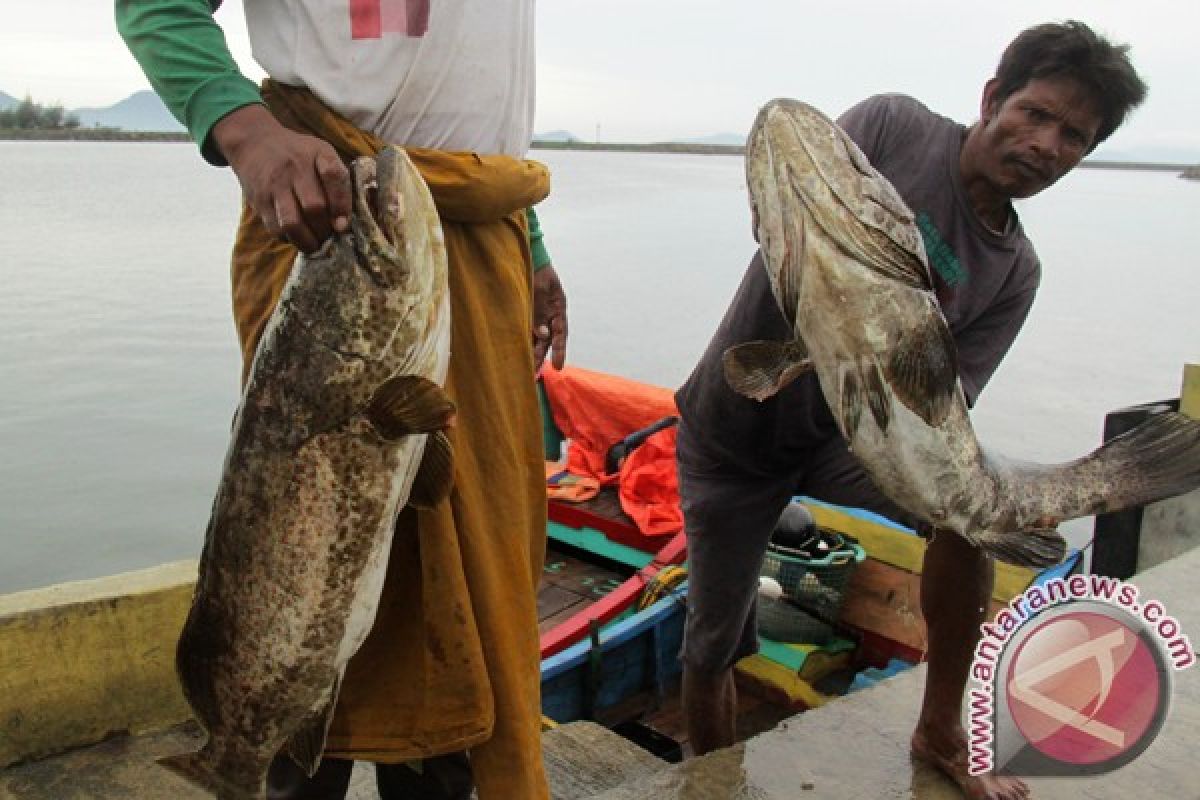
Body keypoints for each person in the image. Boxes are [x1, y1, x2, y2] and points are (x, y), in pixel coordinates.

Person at [674, 20, 1145, 800]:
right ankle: (711, 779)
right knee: (711, 644)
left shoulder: (1014, 272)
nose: (1047, 144)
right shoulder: (894, 127)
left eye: (1074, 136)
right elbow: (789, 208)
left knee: (969, 523)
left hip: (851, 440)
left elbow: (942, 410)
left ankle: (940, 730)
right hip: (734, 429)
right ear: (994, 97)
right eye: (1036, 113)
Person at [116, 2, 567, 798]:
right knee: (308, 563)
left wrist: (527, 243)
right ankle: (262, 761)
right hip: (336, 221)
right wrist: (247, 132)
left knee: (472, 594)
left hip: (473, 225)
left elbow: (474, 76)